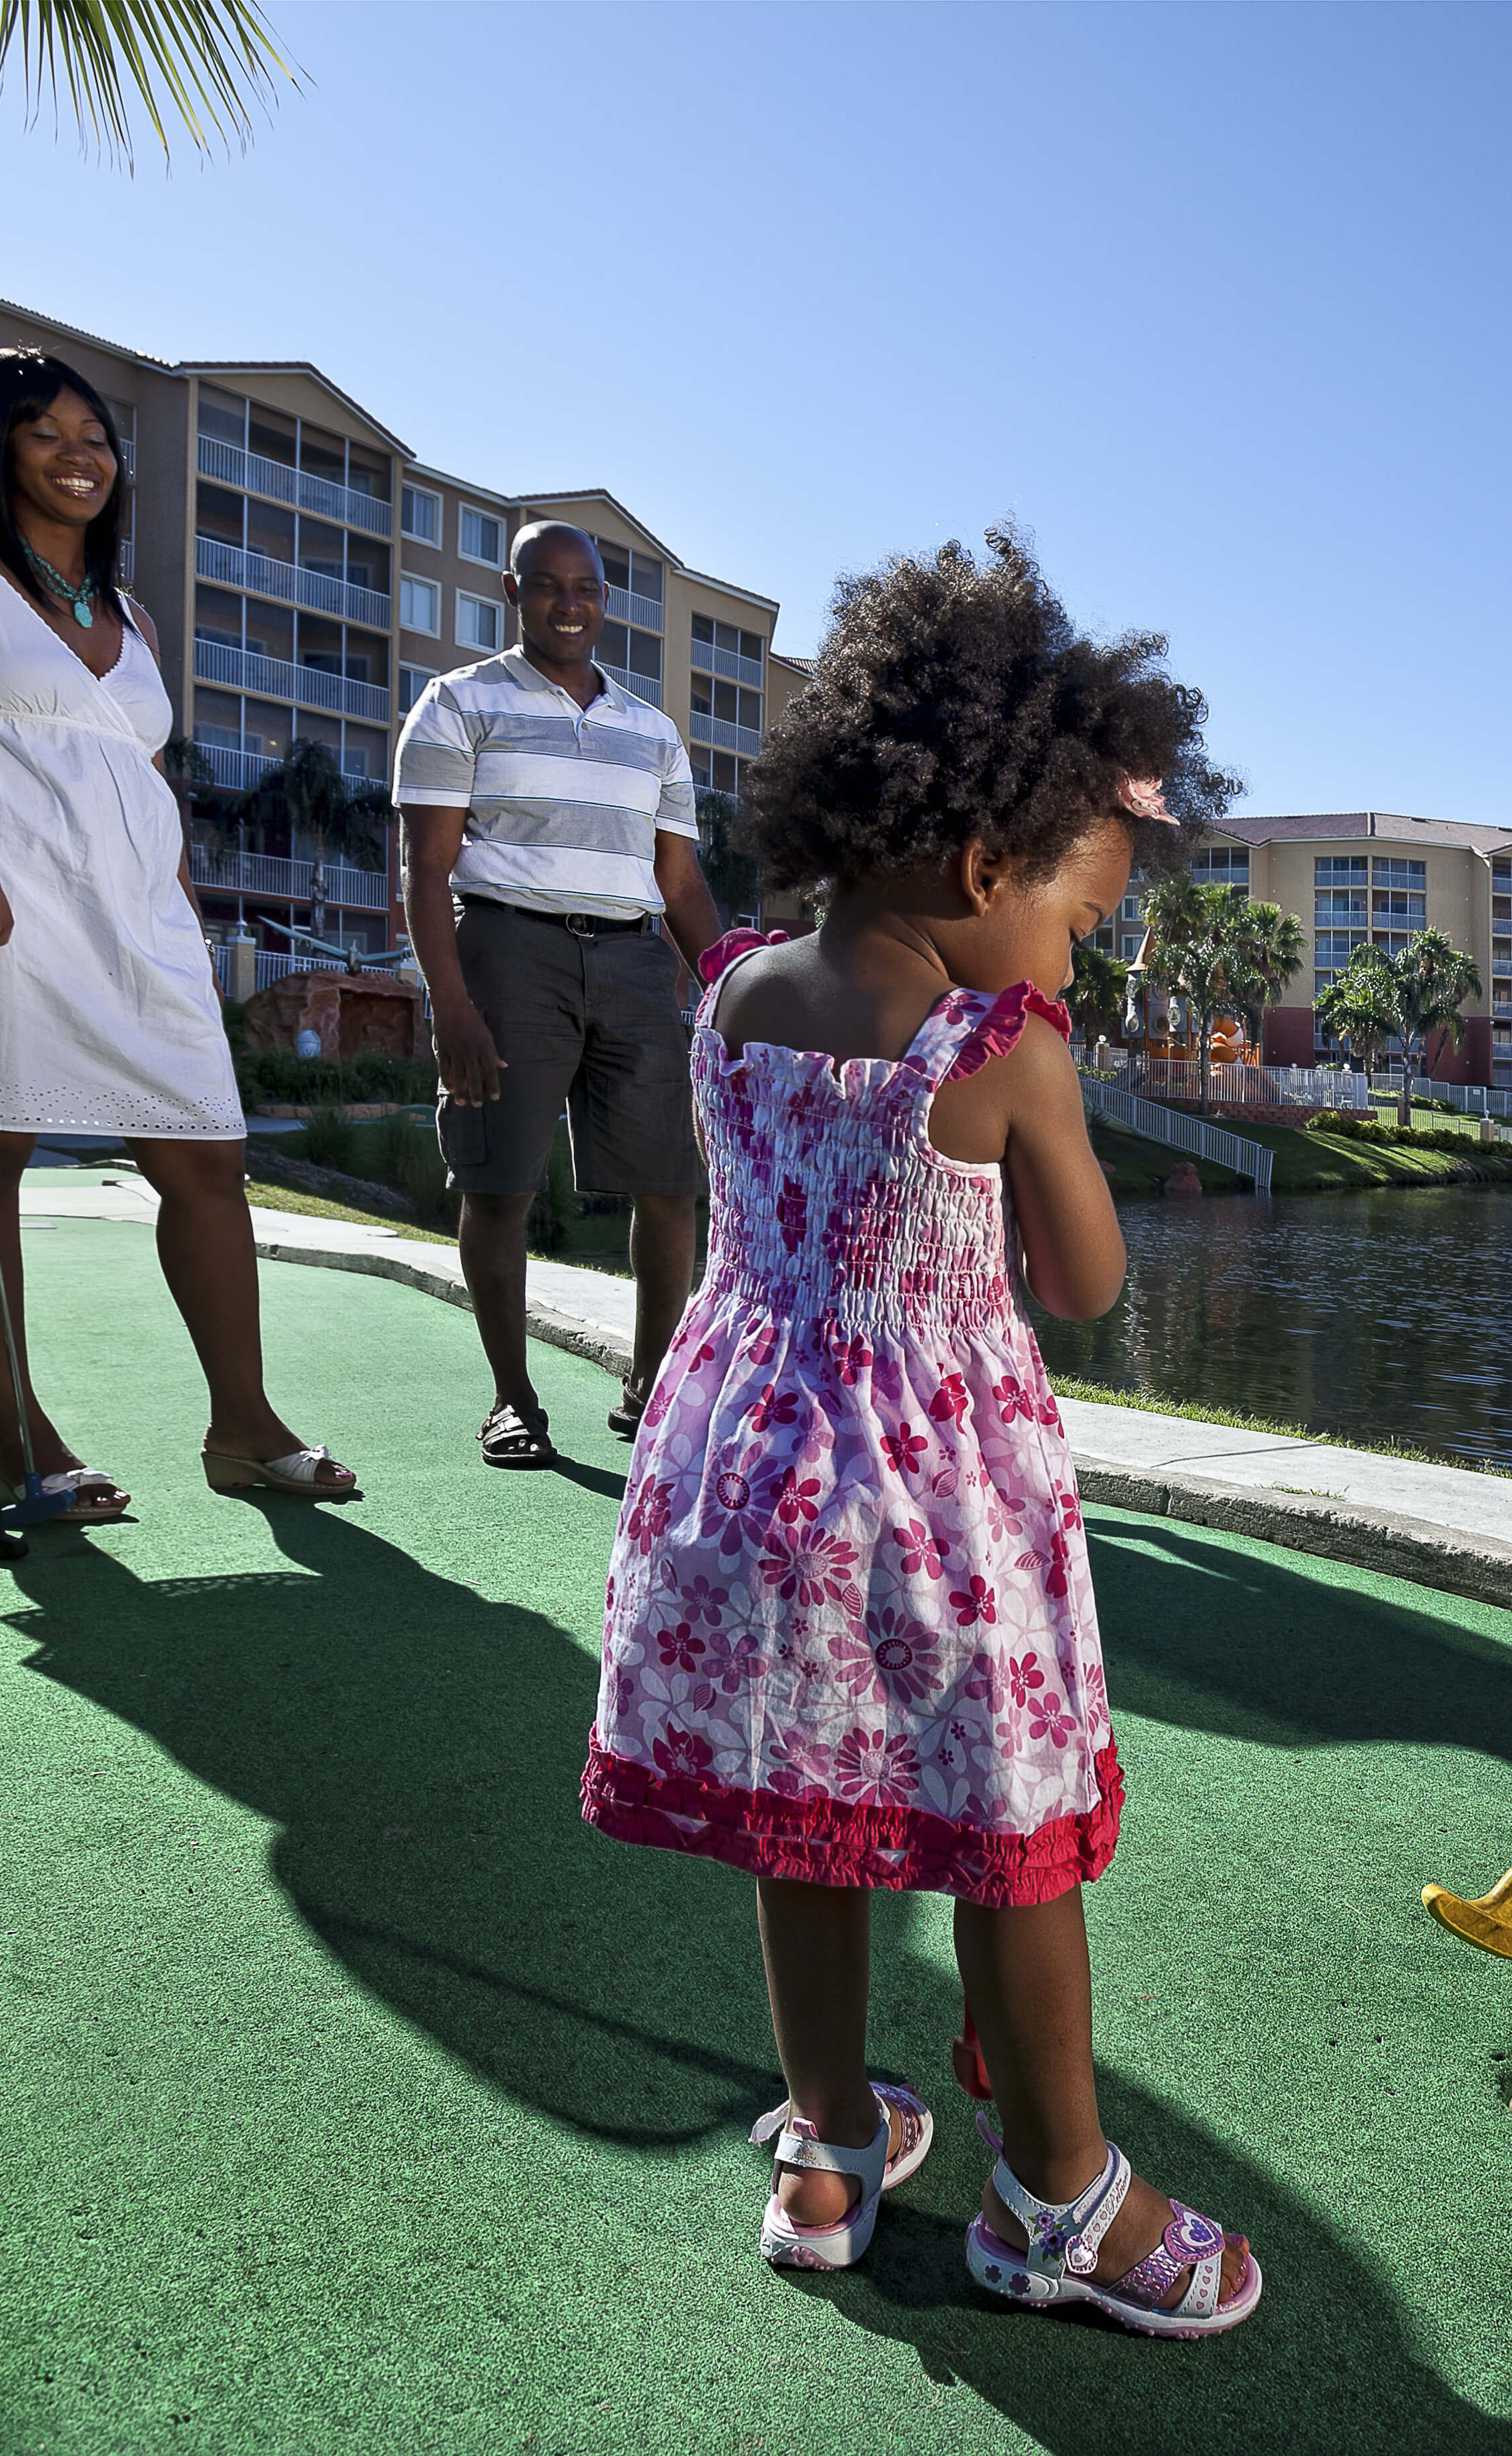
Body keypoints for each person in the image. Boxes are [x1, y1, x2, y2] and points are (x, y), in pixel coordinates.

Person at [577, 530, 1260, 2335]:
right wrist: (1061, 1096)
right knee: (1005, 1841)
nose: (1074, 951)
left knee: (805, 1825)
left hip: (741, 1470)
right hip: (931, 1505)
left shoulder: (726, 992)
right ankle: (1057, 2195)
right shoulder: (997, 1048)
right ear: (980, 866)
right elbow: (1091, 1279)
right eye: (1074, 915)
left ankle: (822, 2140)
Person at [0, 348, 356, 1513]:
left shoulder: (127, 612)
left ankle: (243, 1426)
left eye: (95, 433)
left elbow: (133, 766)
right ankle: (21, 1438)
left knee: (205, 1156)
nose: (79, 454)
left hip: (132, 913)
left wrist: (177, 894)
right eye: (45, 431)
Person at [395, 523, 723, 1472]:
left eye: (585, 587)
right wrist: (450, 1007)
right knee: (499, 1185)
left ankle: (652, 1390)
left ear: (606, 598)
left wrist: (739, 981)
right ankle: (513, 1400)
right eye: (547, 586)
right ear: (513, 591)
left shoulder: (651, 731)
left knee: (671, 1187)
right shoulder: (460, 703)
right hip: (506, 953)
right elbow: (427, 873)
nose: (568, 603)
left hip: (631, 964)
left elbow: (682, 885)